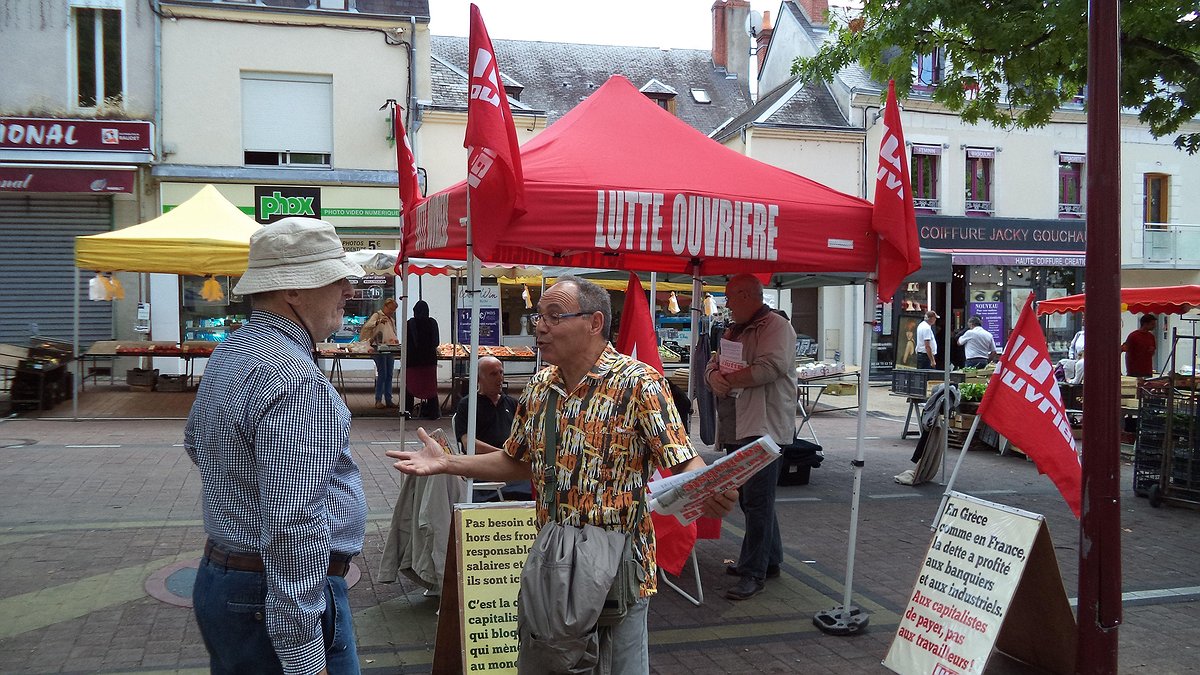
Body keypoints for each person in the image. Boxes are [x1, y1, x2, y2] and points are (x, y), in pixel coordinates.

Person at [387, 275, 737, 672]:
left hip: (619, 563)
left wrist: (711, 484)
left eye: (554, 316)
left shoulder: (639, 384)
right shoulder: (540, 387)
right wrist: (448, 463)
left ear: (594, 323)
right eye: (539, 316)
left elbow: (681, 458)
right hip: (555, 560)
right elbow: (517, 462)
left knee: (618, 665)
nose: (540, 326)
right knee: (549, 659)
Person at [184, 217, 367, 675]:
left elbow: (194, 441)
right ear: (293, 292)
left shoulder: (234, 349)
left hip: (227, 581)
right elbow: (294, 521)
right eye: (336, 278)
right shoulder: (294, 377)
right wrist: (304, 654)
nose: (349, 289)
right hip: (268, 595)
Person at [704, 274, 796, 601]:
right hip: (737, 425)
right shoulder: (734, 329)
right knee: (751, 499)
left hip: (764, 426)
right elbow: (714, 364)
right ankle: (769, 561)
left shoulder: (776, 327)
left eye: (729, 297)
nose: (726, 304)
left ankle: (754, 571)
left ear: (746, 295)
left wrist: (726, 380)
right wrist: (715, 376)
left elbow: (770, 367)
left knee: (757, 501)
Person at [453, 355, 531, 500]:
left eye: (501, 372)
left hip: (512, 466)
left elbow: (523, 436)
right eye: (493, 374)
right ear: (479, 378)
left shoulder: (513, 404)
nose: (500, 378)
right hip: (484, 466)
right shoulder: (468, 405)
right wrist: (503, 455)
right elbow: (468, 443)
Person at [361, 297, 399, 409]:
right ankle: (378, 400)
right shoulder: (377, 315)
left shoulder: (391, 320)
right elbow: (367, 326)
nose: (392, 312)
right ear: (385, 307)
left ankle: (388, 399)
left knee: (389, 374)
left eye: (394, 310)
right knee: (382, 374)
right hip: (378, 348)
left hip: (390, 348)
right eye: (391, 309)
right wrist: (378, 322)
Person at [405, 299, 440, 419]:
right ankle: (433, 413)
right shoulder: (433, 323)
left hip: (412, 362)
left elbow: (406, 343)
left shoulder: (410, 324)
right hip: (430, 361)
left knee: (410, 387)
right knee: (431, 387)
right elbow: (436, 342)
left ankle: (407, 412)